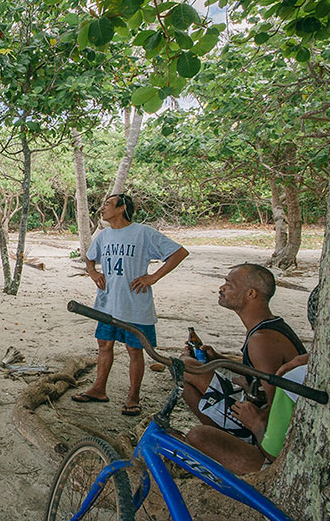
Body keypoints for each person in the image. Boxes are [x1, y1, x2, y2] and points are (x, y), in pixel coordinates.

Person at [72, 193, 189, 417]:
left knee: (135, 350)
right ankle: (99, 389)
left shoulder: (142, 233)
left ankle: (133, 396)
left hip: (135, 303)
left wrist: (153, 277)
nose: (103, 208)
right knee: (104, 345)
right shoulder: (104, 235)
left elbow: (178, 253)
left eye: (108, 204)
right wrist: (93, 272)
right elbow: (89, 257)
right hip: (107, 302)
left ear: (122, 207)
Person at [181, 263, 307, 441]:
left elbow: (276, 404)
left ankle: (232, 441)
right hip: (256, 402)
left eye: (229, 285)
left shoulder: (261, 340)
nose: (222, 288)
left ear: (251, 294)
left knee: (185, 367)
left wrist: (255, 424)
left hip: (264, 424)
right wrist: (218, 359)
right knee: (186, 371)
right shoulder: (268, 325)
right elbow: (258, 371)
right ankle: (221, 435)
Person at [186, 353, 309, 474]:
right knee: (185, 368)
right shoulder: (302, 370)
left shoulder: (292, 378)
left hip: (281, 462)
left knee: (198, 436)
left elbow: (274, 453)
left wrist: (256, 424)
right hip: (274, 437)